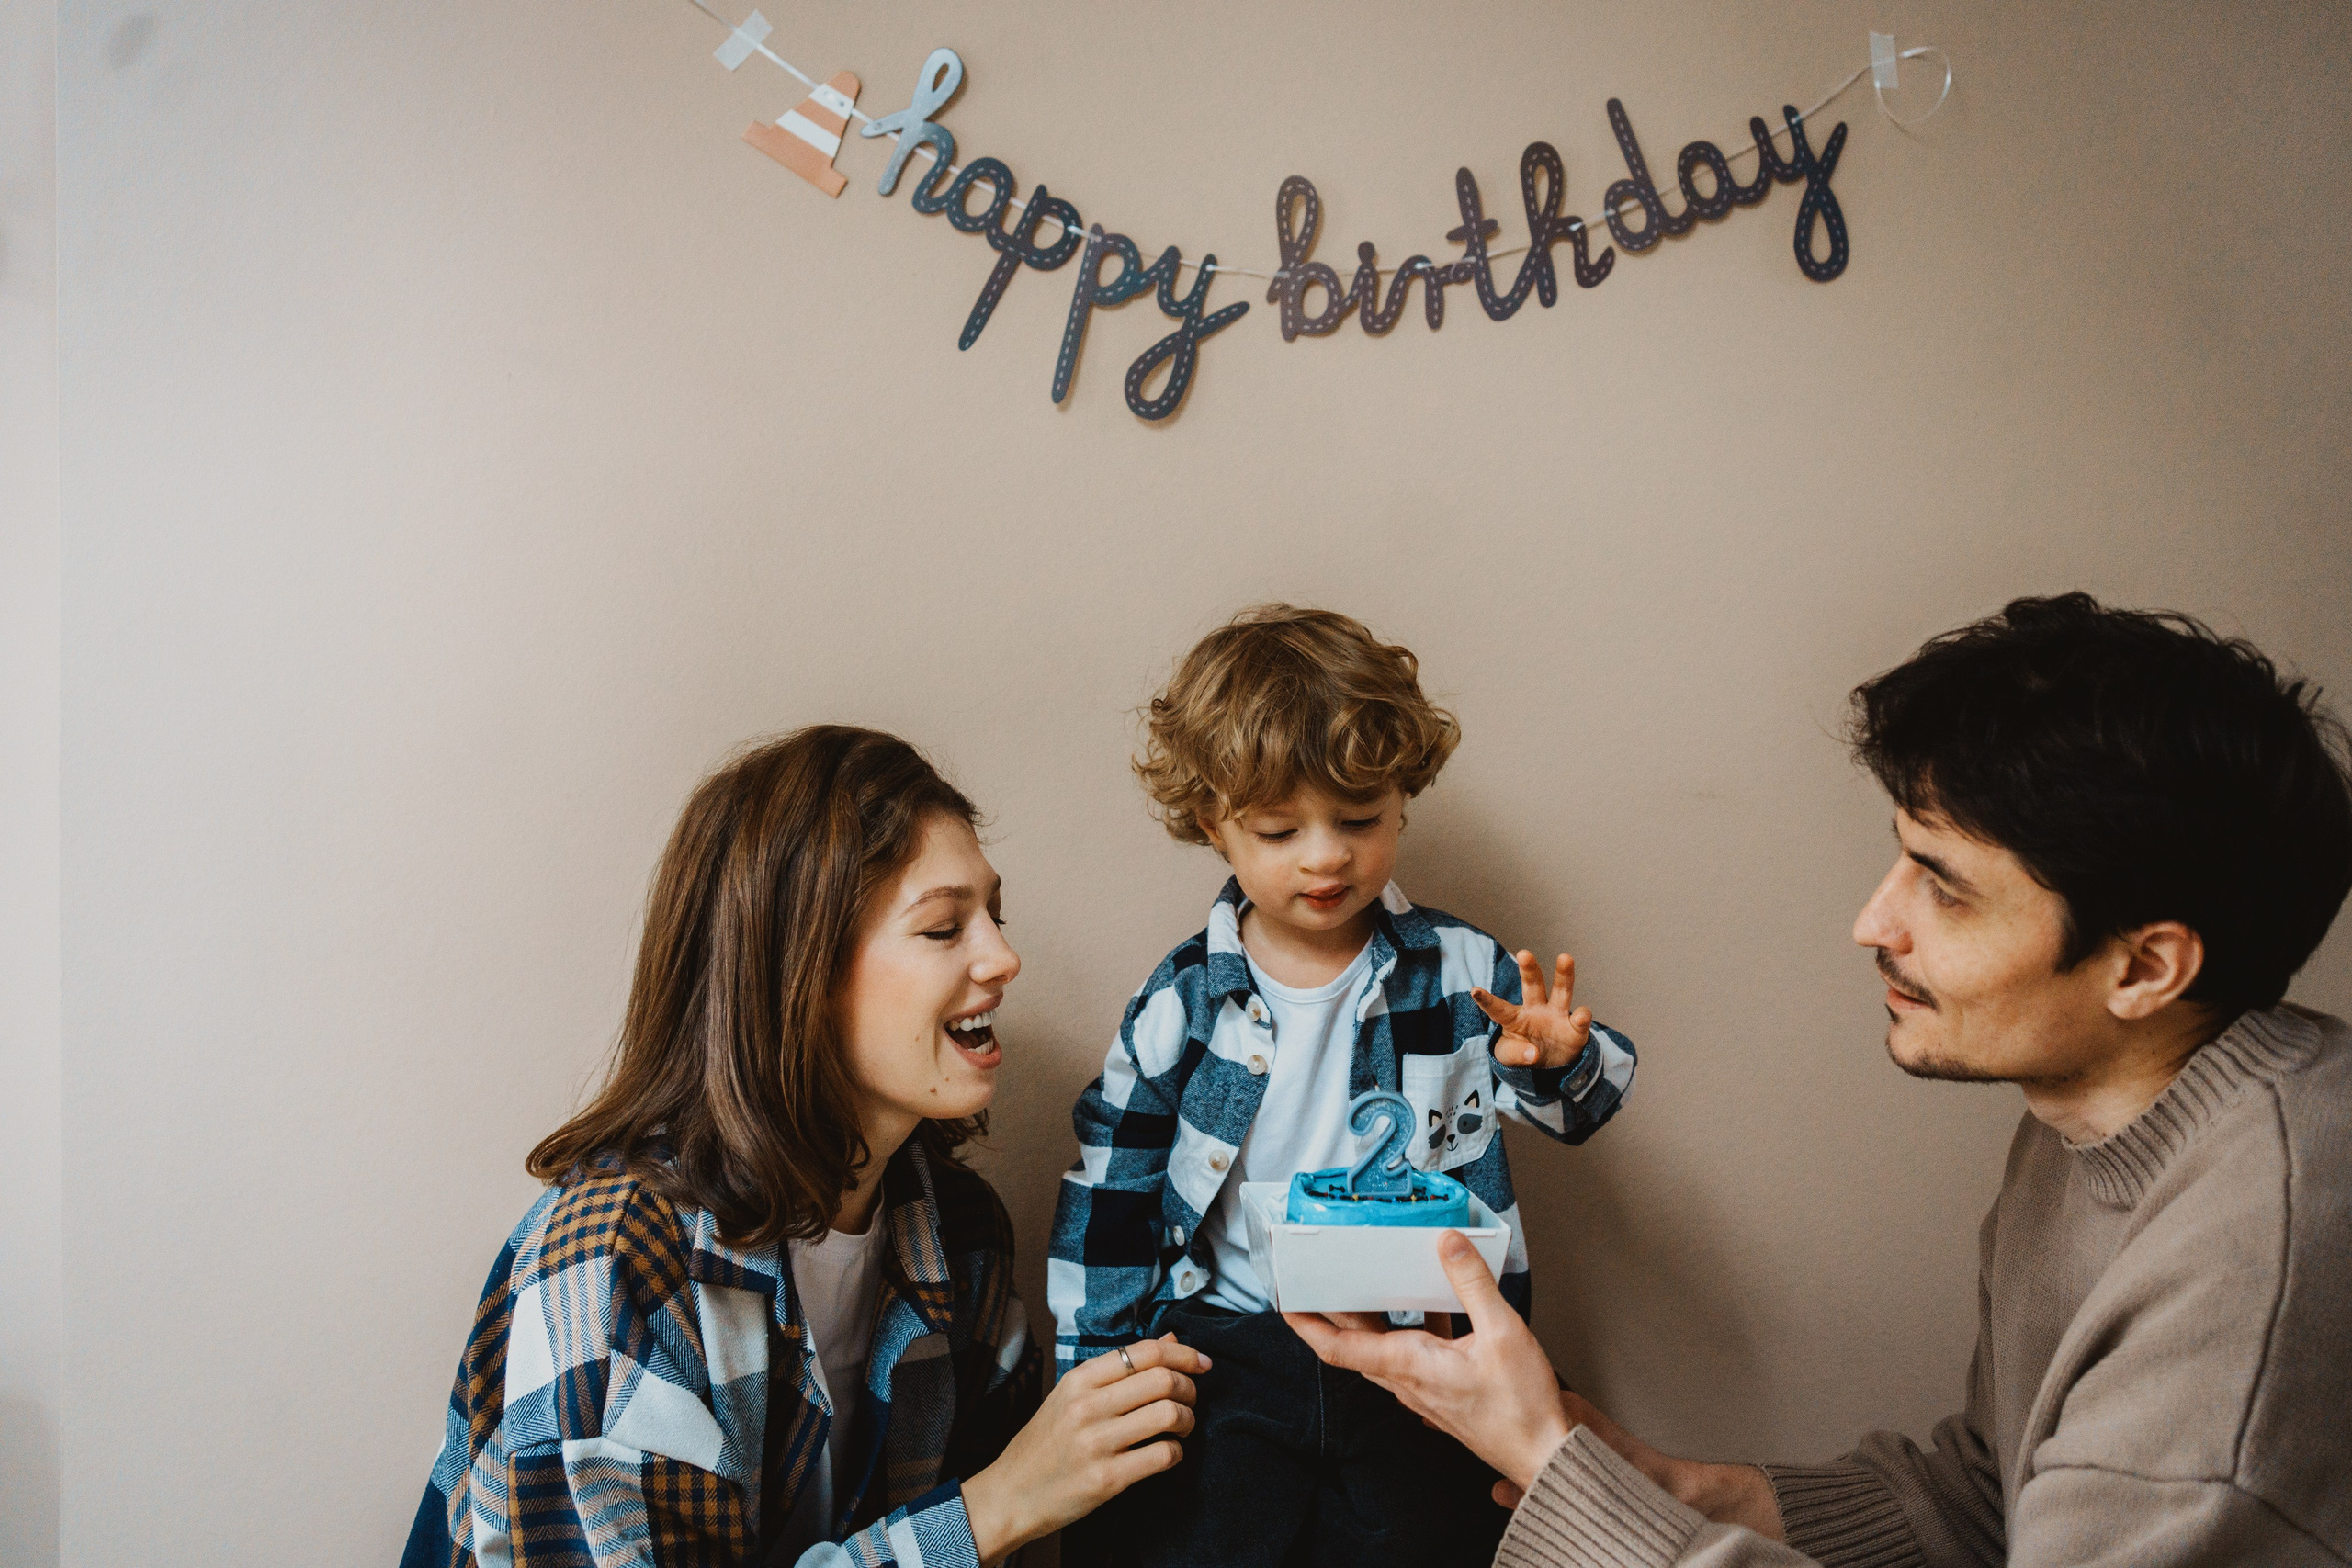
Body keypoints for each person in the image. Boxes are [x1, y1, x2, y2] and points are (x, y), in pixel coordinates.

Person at [1289, 593, 2352, 1567]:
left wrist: (1559, 1477)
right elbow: (1990, 1494)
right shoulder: (2096, 1111)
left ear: (2144, 968)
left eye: (1943, 888)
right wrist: (1653, 1482)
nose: (1869, 924)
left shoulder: (2250, 1295)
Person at [400, 727, 1208, 1568]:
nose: (1003, 957)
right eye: (943, 928)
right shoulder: (611, 1264)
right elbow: (987, 1520)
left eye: (994, 916)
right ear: (802, 976)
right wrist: (994, 1507)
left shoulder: (963, 1234)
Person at [1049, 604, 1637, 1568]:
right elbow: (1109, 1179)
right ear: (1216, 827)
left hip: (1422, 1342)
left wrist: (1555, 1061)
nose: (1325, 856)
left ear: (1402, 801)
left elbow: (1583, 1110)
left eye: (1357, 821)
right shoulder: (1183, 999)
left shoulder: (1460, 967)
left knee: (1441, 1540)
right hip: (1233, 1342)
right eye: (1280, 830)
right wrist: (1101, 1366)